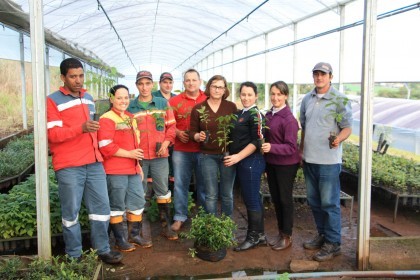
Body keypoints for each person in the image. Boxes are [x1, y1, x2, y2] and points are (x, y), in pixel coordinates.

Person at [46, 58, 122, 264]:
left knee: (101, 208)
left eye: (80, 75)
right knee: (70, 212)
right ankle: (74, 255)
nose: (78, 80)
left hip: (94, 162)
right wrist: (80, 128)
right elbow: (53, 135)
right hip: (70, 165)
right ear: (63, 78)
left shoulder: (88, 98)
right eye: (73, 76)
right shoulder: (52, 100)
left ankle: (103, 250)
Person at [299, 62, 352, 261]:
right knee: (314, 202)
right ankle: (322, 235)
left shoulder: (339, 99)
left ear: (331, 76)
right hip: (310, 159)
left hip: (328, 162)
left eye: (323, 74)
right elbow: (304, 128)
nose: (319, 77)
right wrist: (301, 151)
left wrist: (339, 139)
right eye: (316, 74)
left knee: (329, 203)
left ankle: (334, 243)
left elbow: (347, 127)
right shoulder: (307, 99)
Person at [98, 84, 152, 251]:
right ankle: (120, 240)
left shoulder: (130, 117)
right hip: (115, 170)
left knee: (137, 201)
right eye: (119, 97)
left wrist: (138, 166)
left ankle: (134, 235)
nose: (123, 101)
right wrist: (129, 155)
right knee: (117, 205)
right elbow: (105, 145)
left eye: (126, 97)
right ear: (112, 99)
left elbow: (135, 144)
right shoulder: (107, 118)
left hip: (133, 169)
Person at [127, 70, 178, 241]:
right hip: (139, 157)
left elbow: (171, 126)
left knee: (163, 190)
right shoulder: (131, 107)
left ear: (152, 84)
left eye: (147, 83)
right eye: (141, 84)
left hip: (160, 155)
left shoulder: (162, 103)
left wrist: (165, 144)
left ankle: (166, 227)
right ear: (136, 85)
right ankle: (135, 231)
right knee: (137, 191)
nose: (144, 87)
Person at [223, 82, 266, 251]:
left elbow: (258, 141)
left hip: (251, 162)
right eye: (243, 94)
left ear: (256, 96)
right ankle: (260, 235)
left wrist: (238, 157)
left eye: (250, 95)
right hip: (241, 161)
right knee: (252, 197)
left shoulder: (256, 115)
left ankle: (253, 237)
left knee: (251, 200)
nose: (246, 98)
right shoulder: (240, 113)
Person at [189, 74, 237, 216]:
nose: (217, 90)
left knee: (227, 193)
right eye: (214, 86)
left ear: (224, 90)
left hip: (227, 155)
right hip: (207, 155)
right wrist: (198, 136)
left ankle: (226, 226)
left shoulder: (231, 107)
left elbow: (236, 131)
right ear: (209, 87)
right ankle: (212, 226)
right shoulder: (199, 108)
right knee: (211, 194)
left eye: (220, 87)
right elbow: (192, 132)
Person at [262, 81, 301, 251]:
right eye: (273, 94)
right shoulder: (269, 114)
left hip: (286, 165)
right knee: (276, 199)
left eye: (279, 94)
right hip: (272, 163)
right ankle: (281, 233)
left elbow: (292, 147)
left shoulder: (289, 120)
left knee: (285, 200)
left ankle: (287, 236)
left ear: (285, 96)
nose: (275, 97)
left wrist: (271, 147)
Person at [168, 69, 207, 231]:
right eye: (187, 80)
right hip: (181, 149)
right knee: (180, 184)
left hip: (204, 150)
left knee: (204, 184)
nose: (191, 83)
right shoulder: (175, 101)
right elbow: (169, 123)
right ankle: (180, 216)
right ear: (183, 83)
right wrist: (177, 133)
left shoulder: (207, 99)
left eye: (194, 80)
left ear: (200, 81)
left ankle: (205, 217)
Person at [153, 72, 176, 185]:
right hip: (158, 136)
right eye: (165, 82)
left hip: (173, 134)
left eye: (170, 82)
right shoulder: (154, 97)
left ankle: (171, 184)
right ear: (160, 83)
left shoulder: (175, 98)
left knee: (173, 163)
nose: (168, 85)